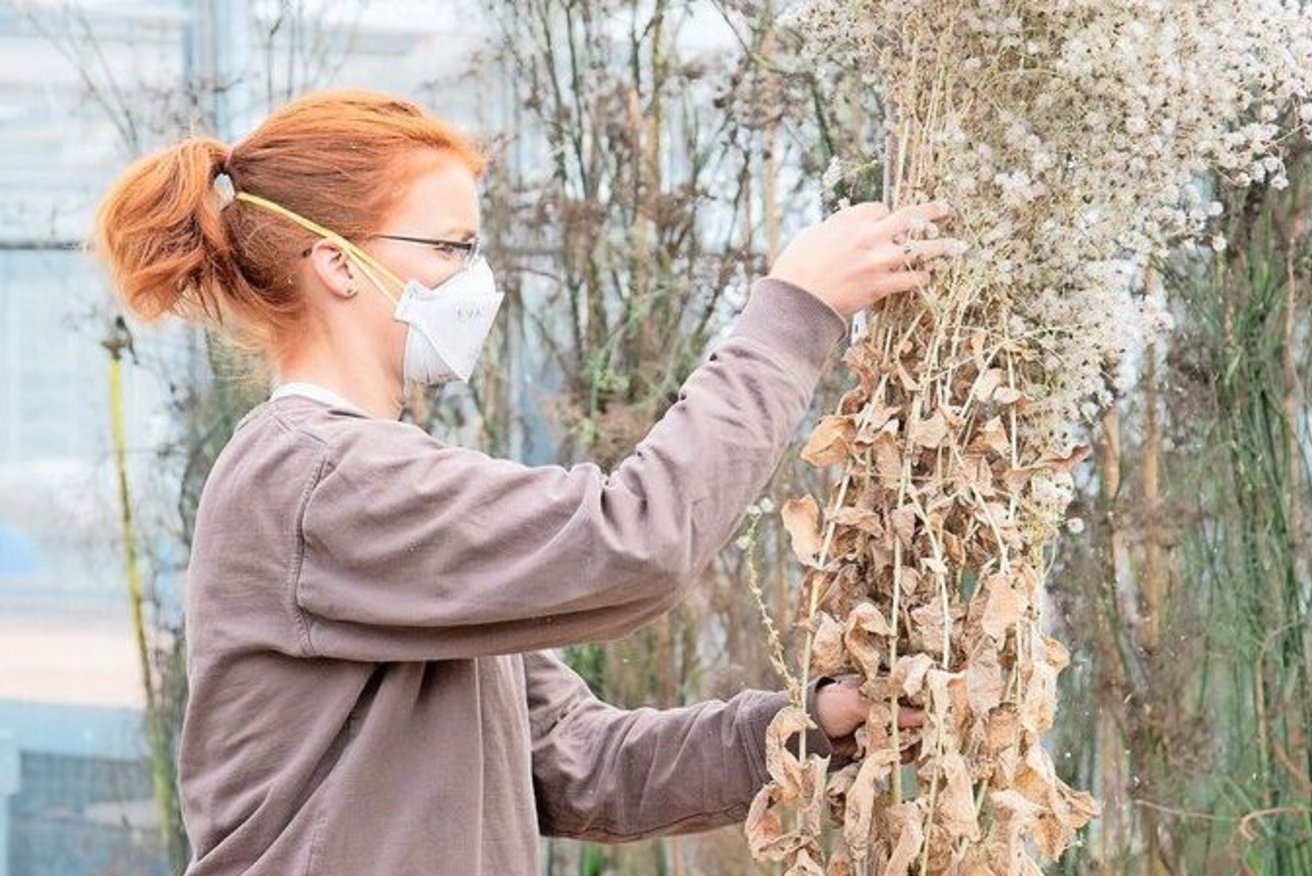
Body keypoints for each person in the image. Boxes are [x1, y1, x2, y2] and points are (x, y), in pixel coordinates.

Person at [93, 90, 956, 874]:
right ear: (339, 264)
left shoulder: (376, 486)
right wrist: (794, 311)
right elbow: (636, 540)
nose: (478, 281)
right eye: (450, 247)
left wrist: (802, 730)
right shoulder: (318, 479)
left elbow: (578, 762)